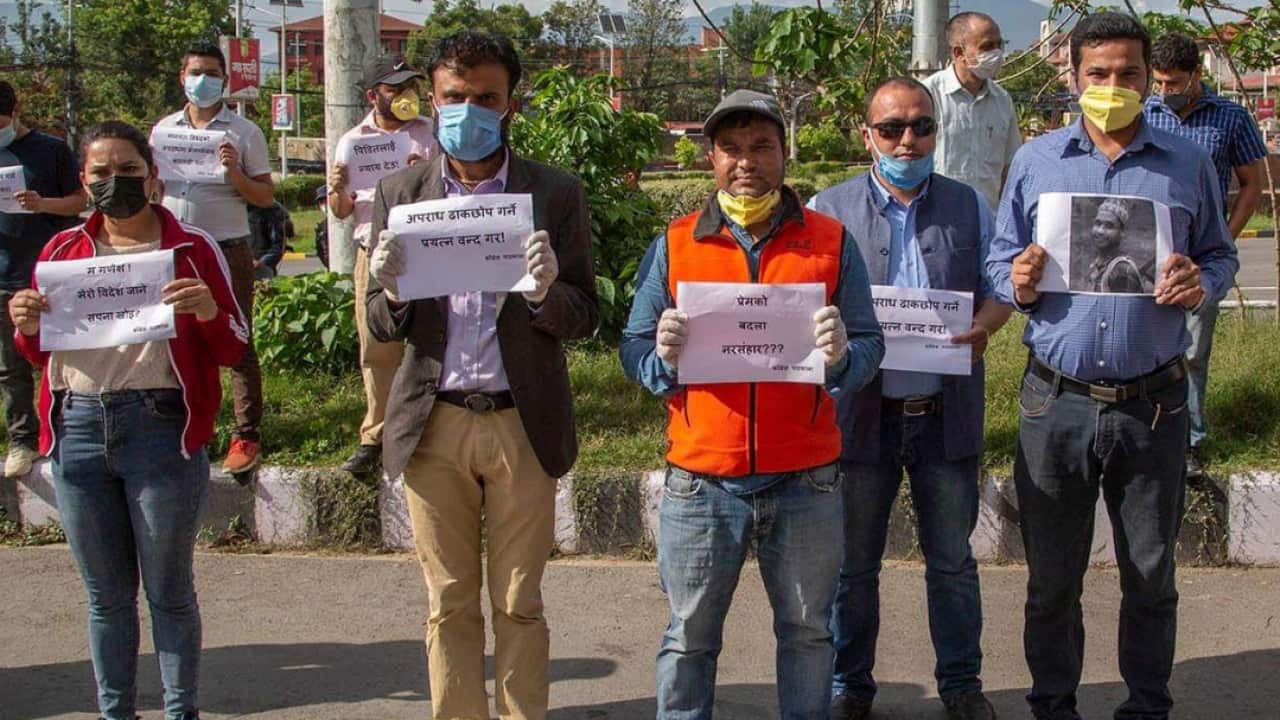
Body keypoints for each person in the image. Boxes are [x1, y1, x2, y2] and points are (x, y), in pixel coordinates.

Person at [986, 13, 1238, 720]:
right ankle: (1053, 707)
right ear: (1071, 76)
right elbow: (997, 259)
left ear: (1147, 77)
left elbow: (1220, 254)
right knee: (1051, 583)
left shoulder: (1185, 163)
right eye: (1097, 74)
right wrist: (1019, 281)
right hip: (1054, 401)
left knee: (1152, 575)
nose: (1112, 87)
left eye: (1127, 74)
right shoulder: (1038, 161)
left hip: (1152, 403)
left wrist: (1202, 282)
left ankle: (1147, 707)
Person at [620, 89, 884, 720]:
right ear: (710, 157)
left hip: (806, 482)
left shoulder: (829, 241)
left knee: (808, 634)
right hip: (701, 483)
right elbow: (633, 345)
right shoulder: (677, 242)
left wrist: (844, 355)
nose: (746, 162)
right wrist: (661, 360)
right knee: (689, 639)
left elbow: (870, 344)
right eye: (731, 148)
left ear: (783, 153)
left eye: (761, 146)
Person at [365, 31, 597, 720]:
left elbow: (583, 313)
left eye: (486, 98)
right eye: (455, 97)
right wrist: (392, 291)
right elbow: (382, 324)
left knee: (519, 602)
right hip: (433, 423)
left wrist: (543, 293)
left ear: (511, 105)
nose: (470, 110)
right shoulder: (401, 192)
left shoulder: (553, 193)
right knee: (449, 602)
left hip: (521, 422)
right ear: (432, 103)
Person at [7, 120, 248, 720]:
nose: (115, 183)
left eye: (128, 172)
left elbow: (234, 345)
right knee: (106, 599)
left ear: (153, 176)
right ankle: (115, 711)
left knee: (168, 592)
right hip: (80, 429)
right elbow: (39, 354)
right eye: (101, 174)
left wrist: (209, 309)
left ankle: (179, 709)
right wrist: (26, 323)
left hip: (161, 429)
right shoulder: (60, 251)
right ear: (84, 182)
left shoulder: (192, 247)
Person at [809, 77, 1011, 720]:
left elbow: (999, 287)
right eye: (892, 127)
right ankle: (850, 687)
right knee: (852, 568)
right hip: (858, 417)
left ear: (936, 131)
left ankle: (961, 686)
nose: (907, 139)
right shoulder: (828, 209)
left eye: (921, 126)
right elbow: (803, 300)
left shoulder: (971, 205)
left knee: (952, 563)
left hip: (942, 417)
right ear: (867, 134)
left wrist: (985, 327)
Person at [1144, 31, 1268, 475]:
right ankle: (1149, 434)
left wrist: (1225, 240)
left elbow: (1252, 184)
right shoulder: (1147, 114)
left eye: (1173, 83)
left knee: (1194, 351)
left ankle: (1191, 440)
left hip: (1199, 256)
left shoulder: (1230, 118)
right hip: (1152, 251)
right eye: (1158, 83)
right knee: (1150, 348)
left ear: (1197, 75)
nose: (1164, 92)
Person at [151, 41, 273, 475]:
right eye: (195, 71)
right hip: (176, 249)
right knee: (178, 337)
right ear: (181, 77)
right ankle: (186, 423)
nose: (203, 80)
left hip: (226, 249)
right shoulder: (164, 131)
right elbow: (155, 190)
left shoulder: (243, 133)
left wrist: (234, 172)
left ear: (225, 79)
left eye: (212, 73)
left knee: (236, 339)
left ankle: (246, 433)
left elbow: (265, 195)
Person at [329, 54, 437, 475]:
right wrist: (337, 189)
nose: (405, 95)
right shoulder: (353, 142)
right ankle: (375, 435)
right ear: (374, 95)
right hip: (373, 253)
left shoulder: (428, 134)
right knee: (377, 347)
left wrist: (423, 174)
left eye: (410, 85)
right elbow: (341, 210)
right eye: (395, 88)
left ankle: (429, 424)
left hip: (426, 246)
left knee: (431, 337)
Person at [0, 80, 87, 478]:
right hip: (3, 273)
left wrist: (41, 204)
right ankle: (21, 439)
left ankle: (70, 432)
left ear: (15, 112)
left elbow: (78, 201)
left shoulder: (49, 150)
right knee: (10, 366)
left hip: (51, 274)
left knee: (63, 360)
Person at [924, 12, 1022, 211]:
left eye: (999, 45)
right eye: (987, 47)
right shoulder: (928, 96)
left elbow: (1009, 167)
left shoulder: (1002, 100)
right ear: (959, 53)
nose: (996, 53)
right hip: (937, 221)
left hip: (988, 223)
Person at [1085, 198, 1144, 293]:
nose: (1100, 231)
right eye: (1098, 223)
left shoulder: (1122, 270)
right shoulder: (1096, 266)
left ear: (1122, 232)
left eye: (1109, 226)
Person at [247, 201, 288, 280]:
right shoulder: (240, 207)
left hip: (262, 270)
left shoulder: (271, 209)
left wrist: (260, 263)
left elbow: (279, 244)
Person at [313, 185, 330, 268]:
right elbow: (320, 251)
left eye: (327, 200)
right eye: (322, 202)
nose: (325, 205)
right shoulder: (320, 227)